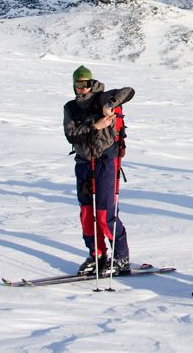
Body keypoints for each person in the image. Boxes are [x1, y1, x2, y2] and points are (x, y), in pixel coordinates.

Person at [62, 65, 135, 275]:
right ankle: (97, 254)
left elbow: (129, 91)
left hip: (105, 160)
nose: (82, 88)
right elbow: (71, 135)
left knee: (104, 213)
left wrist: (110, 105)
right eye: (78, 84)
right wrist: (96, 126)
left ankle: (121, 257)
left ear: (91, 83)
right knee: (86, 213)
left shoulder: (103, 98)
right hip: (84, 161)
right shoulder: (70, 107)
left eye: (85, 84)